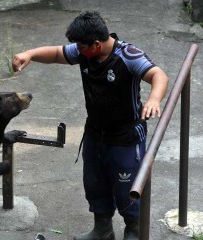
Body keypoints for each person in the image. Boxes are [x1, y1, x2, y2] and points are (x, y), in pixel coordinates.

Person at [12, 11, 168, 240]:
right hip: (95, 133)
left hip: (125, 137)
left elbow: (158, 75)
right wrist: (30, 54)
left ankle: (134, 231)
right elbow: (57, 53)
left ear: (96, 44)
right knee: (95, 183)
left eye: (81, 46)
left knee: (129, 190)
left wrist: (154, 99)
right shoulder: (85, 50)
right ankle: (103, 230)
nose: (77, 50)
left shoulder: (128, 55)